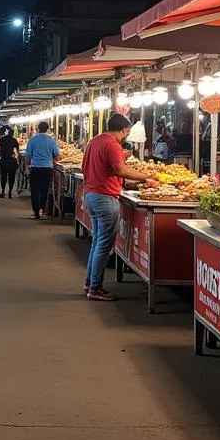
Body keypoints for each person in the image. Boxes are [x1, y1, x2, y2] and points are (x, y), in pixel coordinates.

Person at [81, 113, 161, 300]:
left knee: (97, 242)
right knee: (103, 244)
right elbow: (120, 169)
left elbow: (87, 166)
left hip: (92, 194)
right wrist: (145, 177)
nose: (126, 135)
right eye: (127, 131)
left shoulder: (94, 141)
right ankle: (95, 288)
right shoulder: (112, 144)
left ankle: (90, 283)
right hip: (105, 197)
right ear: (124, 129)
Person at [24, 120, 61, 219]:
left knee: (35, 190)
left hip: (35, 167)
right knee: (44, 190)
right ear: (47, 129)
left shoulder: (32, 140)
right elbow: (57, 155)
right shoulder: (51, 140)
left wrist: (27, 167)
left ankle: (36, 211)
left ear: (38, 128)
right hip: (47, 168)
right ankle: (42, 210)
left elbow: (28, 156)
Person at [0, 127, 20, 198]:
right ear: (12, 134)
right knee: (11, 177)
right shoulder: (14, 140)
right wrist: (17, 158)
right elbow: (17, 151)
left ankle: (3, 191)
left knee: (3, 176)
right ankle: (9, 192)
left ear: (7, 132)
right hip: (12, 160)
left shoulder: (1, 139)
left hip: (3, 160)